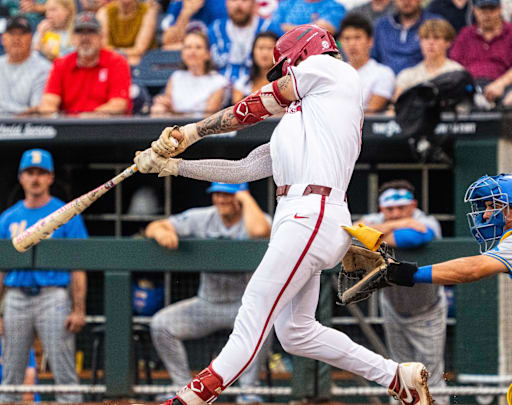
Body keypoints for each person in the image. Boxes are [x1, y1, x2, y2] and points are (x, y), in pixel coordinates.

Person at [133, 24, 434, 405]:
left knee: (252, 313)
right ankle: (395, 377)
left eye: (285, 68)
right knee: (295, 332)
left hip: (311, 211)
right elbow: (243, 169)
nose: (283, 76)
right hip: (302, 214)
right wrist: (173, 166)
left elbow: (261, 103)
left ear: (303, 54)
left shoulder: (331, 70)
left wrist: (192, 132)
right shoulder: (307, 119)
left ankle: (188, 400)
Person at [378, 173, 512, 405]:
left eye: (493, 206)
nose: (485, 214)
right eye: (485, 207)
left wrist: (407, 274)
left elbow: (473, 268)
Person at [147, 182, 272, 403]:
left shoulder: (254, 218)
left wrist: (244, 197)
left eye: (228, 194)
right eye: (217, 194)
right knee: (161, 324)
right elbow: (154, 226)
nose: (221, 199)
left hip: (243, 306)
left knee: (266, 324)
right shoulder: (202, 217)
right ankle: (183, 389)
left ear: (242, 197)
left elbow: (260, 231)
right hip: (207, 304)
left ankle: (249, 391)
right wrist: (161, 232)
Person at [0, 148, 88, 403]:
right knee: (10, 371)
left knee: (63, 367)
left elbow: (79, 266)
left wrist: (78, 308)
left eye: (41, 173)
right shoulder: (7, 218)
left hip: (53, 296)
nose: (35, 178)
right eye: (30, 172)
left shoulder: (66, 213)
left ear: (50, 178)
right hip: (16, 297)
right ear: (21, 177)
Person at [355, 180, 449, 405]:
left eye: (402, 209)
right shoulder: (386, 220)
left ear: (413, 205)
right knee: (400, 373)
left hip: (428, 309)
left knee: (430, 376)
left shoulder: (427, 221)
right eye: (390, 209)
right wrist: (404, 223)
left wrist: (375, 238)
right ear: (381, 209)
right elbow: (353, 234)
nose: (396, 213)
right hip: (393, 306)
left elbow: (414, 238)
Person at [38, 12, 132, 115]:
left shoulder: (117, 62)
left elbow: (118, 105)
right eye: (79, 32)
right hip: (70, 127)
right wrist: (53, 116)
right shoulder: (61, 64)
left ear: (101, 37)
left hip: (106, 127)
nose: (85, 37)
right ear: (73, 37)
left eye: (91, 32)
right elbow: (48, 102)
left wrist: (88, 119)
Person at [449, 0, 512, 113]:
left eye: (492, 9)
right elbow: (453, 65)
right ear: (475, 10)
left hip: (505, 84)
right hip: (470, 86)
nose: (487, 14)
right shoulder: (465, 34)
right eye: (483, 10)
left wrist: (500, 83)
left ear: (500, 9)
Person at [150, 30, 228, 115]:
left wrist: (174, 111)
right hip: (176, 124)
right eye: (188, 47)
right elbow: (169, 104)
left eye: (198, 47)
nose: (192, 52)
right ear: (182, 53)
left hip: (202, 126)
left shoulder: (218, 81)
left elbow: (208, 119)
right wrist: (164, 103)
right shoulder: (176, 77)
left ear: (208, 54)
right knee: (157, 109)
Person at [207, 0, 282, 84]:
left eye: (244, 0)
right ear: (226, 3)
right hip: (218, 88)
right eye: (233, 0)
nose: (238, 4)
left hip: (258, 88)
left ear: (254, 3)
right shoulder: (215, 30)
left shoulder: (270, 28)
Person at [392, 19, 463, 100]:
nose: (431, 43)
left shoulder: (458, 72)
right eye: (426, 38)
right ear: (420, 42)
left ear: (448, 42)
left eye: (436, 38)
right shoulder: (407, 75)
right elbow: (395, 108)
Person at [338, 14, 395, 113]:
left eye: (357, 37)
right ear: (340, 42)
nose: (352, 44)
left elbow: (370, 113)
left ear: (370, 41)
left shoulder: (383, 73)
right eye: (347, 39)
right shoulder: (335, 73)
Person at [371, 0, 443, 74]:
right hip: (384, 80)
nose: (406, 1)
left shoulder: (435, 23)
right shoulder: (382, 25)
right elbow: (372, 58)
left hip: (423, 79)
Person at [97, 0, 160, 66]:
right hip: (113, 58)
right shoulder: (104, 12)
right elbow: (103, 46)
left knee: (134, 60)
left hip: (143, 58)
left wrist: (118, 53)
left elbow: (139, 49)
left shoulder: (147, 11)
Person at [231, 31, 278, 103]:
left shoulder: (286, 81)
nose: (265, 53)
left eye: (270, 48)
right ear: (253, 52)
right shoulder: (242, 83)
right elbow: (236, 110)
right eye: (261, 48)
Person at [161, 0, 228, 49]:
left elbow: (218, 42)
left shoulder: (220, 4)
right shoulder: (177, 4)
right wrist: (185, 14)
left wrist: (187, 47)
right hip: (183, 59)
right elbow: (167, 43)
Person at [271, 0, 346, 35]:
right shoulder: (287, 4)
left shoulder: (334, 7)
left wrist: (289, 28)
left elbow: (325, 30)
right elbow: (274, 29)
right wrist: (313, 26)